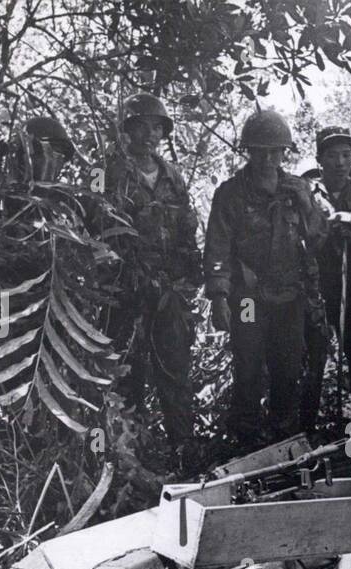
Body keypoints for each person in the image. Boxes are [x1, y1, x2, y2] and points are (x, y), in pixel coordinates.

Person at [203, 108, 327, 446]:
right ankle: (247, 439)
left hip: (290, 294)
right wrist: (218, 296)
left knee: (288, 368)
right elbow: (217, 247)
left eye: (276, 151)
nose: (268, 158)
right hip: (248, 296)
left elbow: (318, 240)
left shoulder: (297, 189)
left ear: (285, 152)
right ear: (249, 151)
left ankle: (283, 439)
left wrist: (307, 205)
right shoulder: (230, 194)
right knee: (249, 364)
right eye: (261, 150)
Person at [103, 92, 203, 448]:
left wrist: (188, 277)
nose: (150, 135)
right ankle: (129, 455)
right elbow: (99, 231)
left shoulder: (171, 175)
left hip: (169, 293)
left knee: (175, 369)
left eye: (157, 128)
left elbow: (187, 228)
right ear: (126, 130)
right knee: (127, 374)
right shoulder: (108, 173)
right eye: (142, 127)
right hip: (125, 294)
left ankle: (183, 449)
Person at [300, 125, 351, 432]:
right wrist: (330, 224)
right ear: (319, 159)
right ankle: (305, 428)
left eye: (346, 155)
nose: (340, 162)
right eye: (332, 156)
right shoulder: (304, 191)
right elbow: (297, 239)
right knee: (313, 356)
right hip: (314, 285)